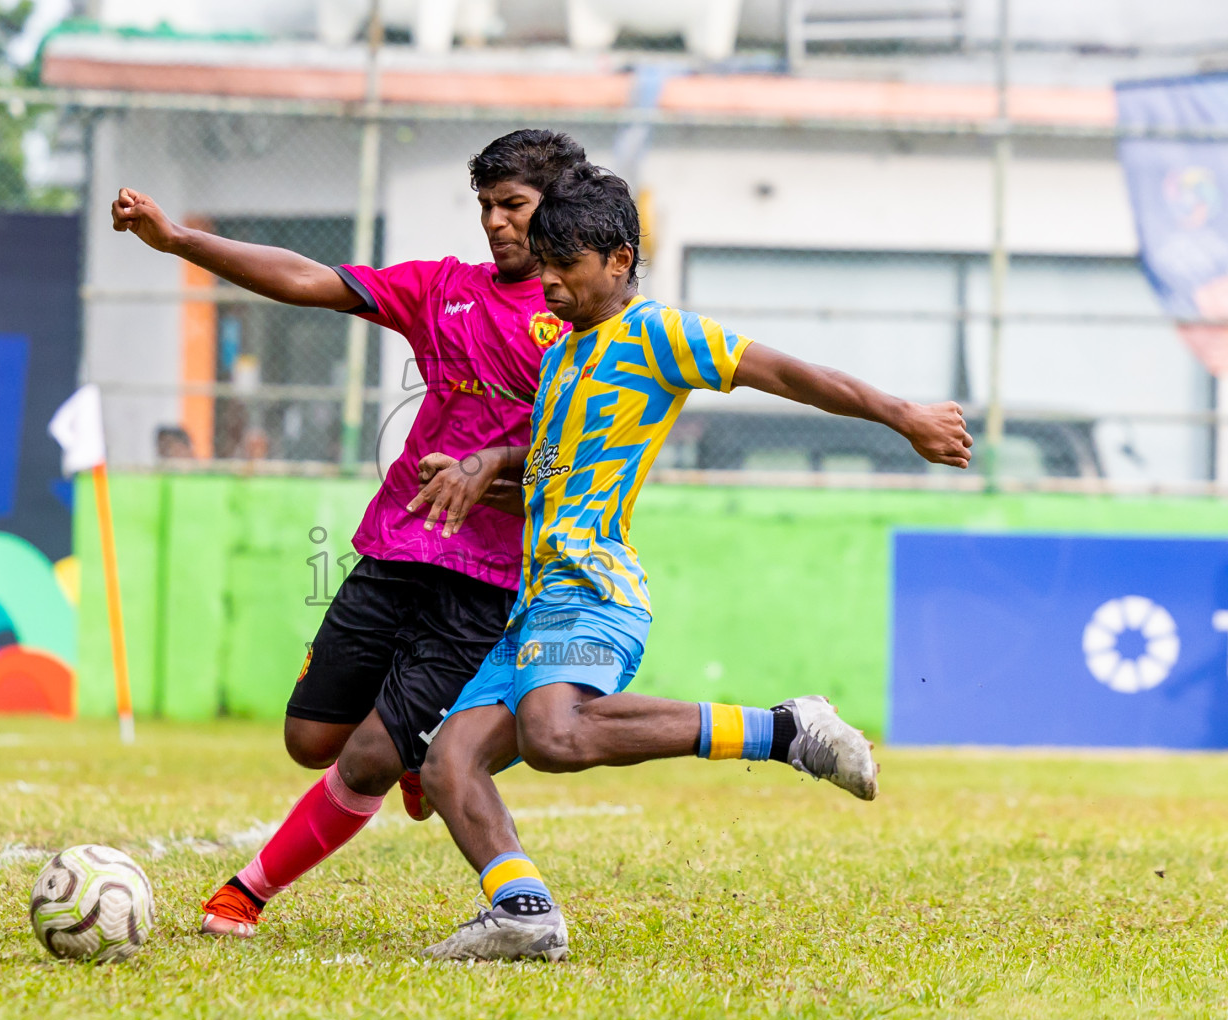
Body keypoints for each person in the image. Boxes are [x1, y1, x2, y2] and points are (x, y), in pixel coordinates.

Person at [408, 164, 974, 962]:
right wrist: (482, 480)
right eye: (543, 261)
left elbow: (789, 374)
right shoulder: (563, 356)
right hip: (536, 600)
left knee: (553, 736)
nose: (549, 280)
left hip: (591, 586)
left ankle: (785, 730)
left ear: (618, 259)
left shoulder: (656, 335)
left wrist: (901, 413)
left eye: (565, 263)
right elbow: (556, 472)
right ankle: (522, 912)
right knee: (451, 763)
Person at [110, 130, 588, 937]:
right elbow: (310, 281)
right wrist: (180, 240)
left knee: (364, 755)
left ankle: (246, 894)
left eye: (515, 206)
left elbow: (580, 464)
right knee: (309, 739)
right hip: (394, 549)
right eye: (486, 207)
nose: (497, 223)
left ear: (557, 211)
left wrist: (495, 475)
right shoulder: (444, 290)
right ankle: (404, 752)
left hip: (488, 581)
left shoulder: (584, 322)